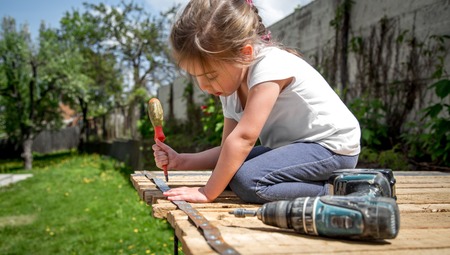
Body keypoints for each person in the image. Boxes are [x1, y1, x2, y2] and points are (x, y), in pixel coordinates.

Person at [152, 0, 361, 204]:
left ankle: (347, 190)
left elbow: (243, 139)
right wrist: (181, 161)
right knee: (231, 169)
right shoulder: (229, 89)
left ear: (245, 54)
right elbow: (228, 149)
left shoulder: (268, 66)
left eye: (211, 75)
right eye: (197, 76)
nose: (204, 86)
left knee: (247, 181)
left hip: (332, 148)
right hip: (295, 149)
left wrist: (207, 192)